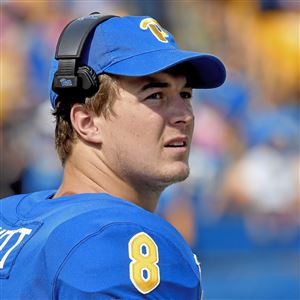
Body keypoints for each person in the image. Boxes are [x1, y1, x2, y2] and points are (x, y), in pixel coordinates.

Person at [0, 13, 226, 299]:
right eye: (155, 95)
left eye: (186, 95)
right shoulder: (119, 239)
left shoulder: (9, 217)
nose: (185, 116)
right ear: (87, 122)